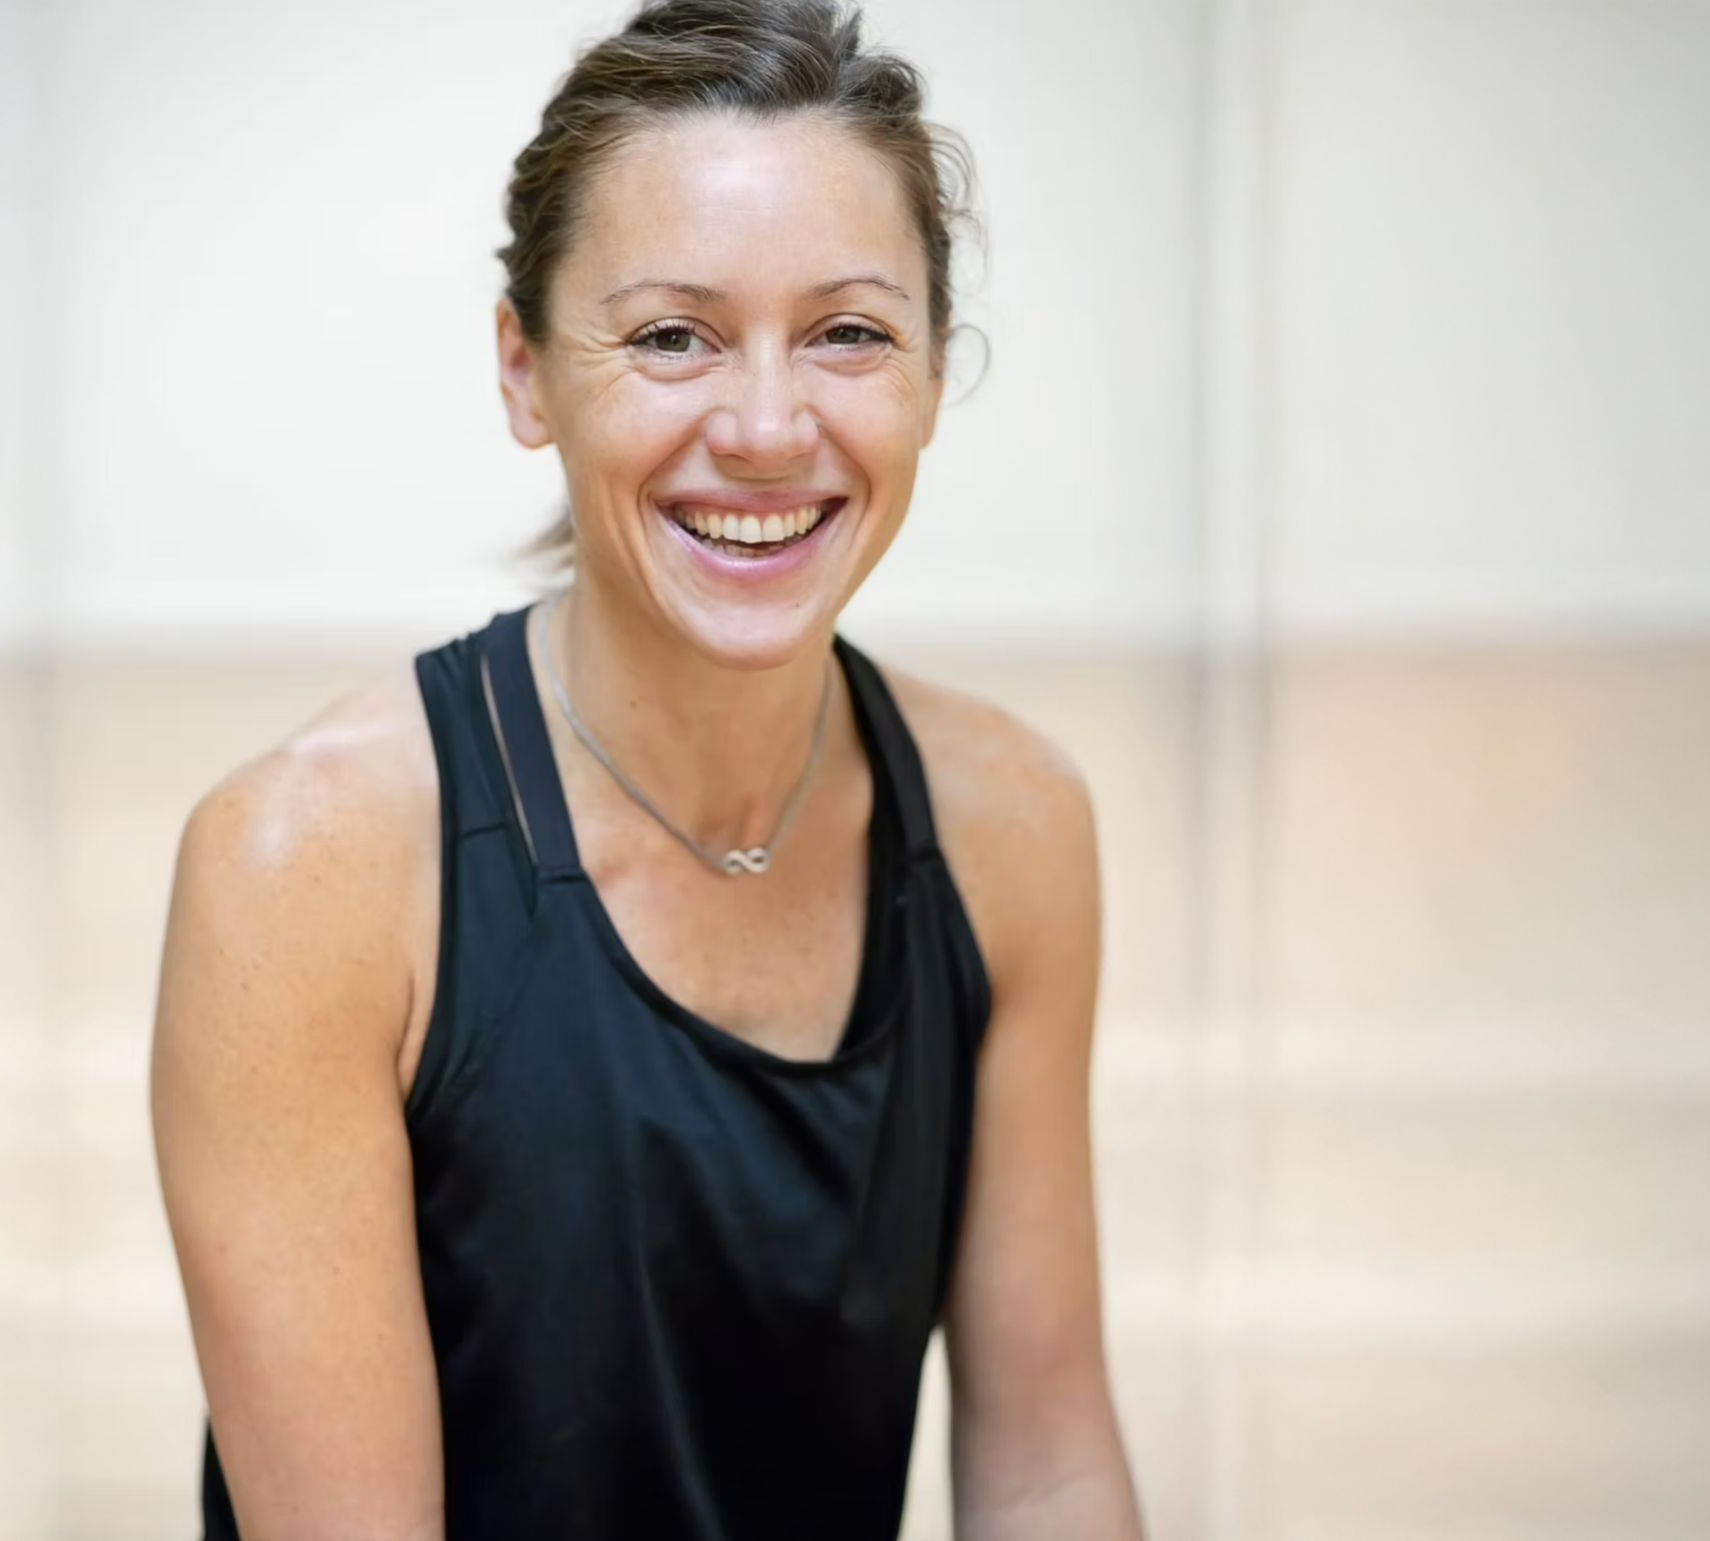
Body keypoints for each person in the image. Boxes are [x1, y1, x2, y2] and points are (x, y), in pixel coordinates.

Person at [150, 2, 1143, 1536]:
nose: (762, 426)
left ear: (936, 373)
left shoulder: (1011, 826)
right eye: (672, 334)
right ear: (527, 373)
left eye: (850, 332)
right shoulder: (308, 869)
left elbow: (1051, 1462)